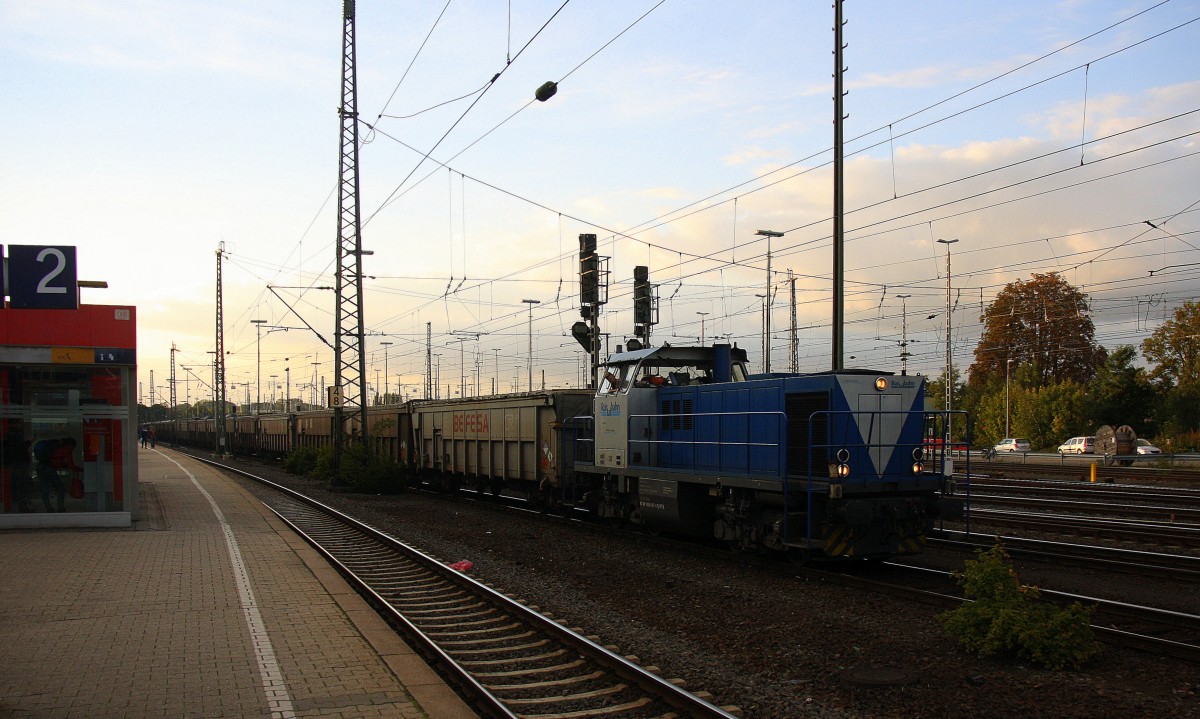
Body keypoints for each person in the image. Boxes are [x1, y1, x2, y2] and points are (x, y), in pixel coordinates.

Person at [34, 437, 82, 513]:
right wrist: (80, 469)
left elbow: (56, 460)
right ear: (70, 445)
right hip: (49, 469)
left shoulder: (56, 448)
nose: (73, 449)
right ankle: (61, 508)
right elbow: (70, 465)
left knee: (44, 490)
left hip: (40, 467)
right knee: (60, 487)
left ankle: (48, 508)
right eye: (73, 447)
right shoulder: (66, 450)